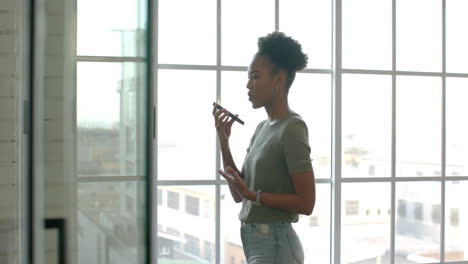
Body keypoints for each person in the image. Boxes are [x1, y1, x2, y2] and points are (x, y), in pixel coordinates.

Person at [212, 31, 316, 264]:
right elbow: (239, 195)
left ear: (279, 79)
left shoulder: (293, 128)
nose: (248, 85)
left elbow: (307, 203)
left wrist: (253, 195)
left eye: (255, 77)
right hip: (255, 241)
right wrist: (224, 141)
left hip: (276, 244)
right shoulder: (262, 128)